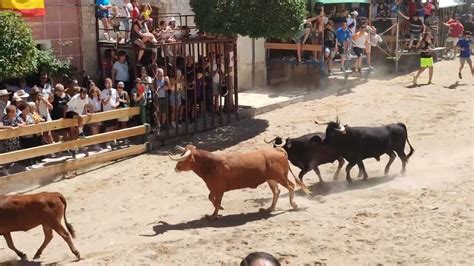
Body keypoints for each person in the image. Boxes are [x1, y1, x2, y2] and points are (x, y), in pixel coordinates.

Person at [101, 78, 120, 149]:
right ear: (105, 84)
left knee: (113, 127)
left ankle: (112, 140)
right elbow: (104, 102)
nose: (108, 84)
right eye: (107, 83)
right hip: (107, 112)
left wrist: (115, 105)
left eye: (110, 83)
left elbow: (118, 101)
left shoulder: (115, 91)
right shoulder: (103, 92)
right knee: (107, 127)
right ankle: (107, 142)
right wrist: (109, 95)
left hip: (114, 112)